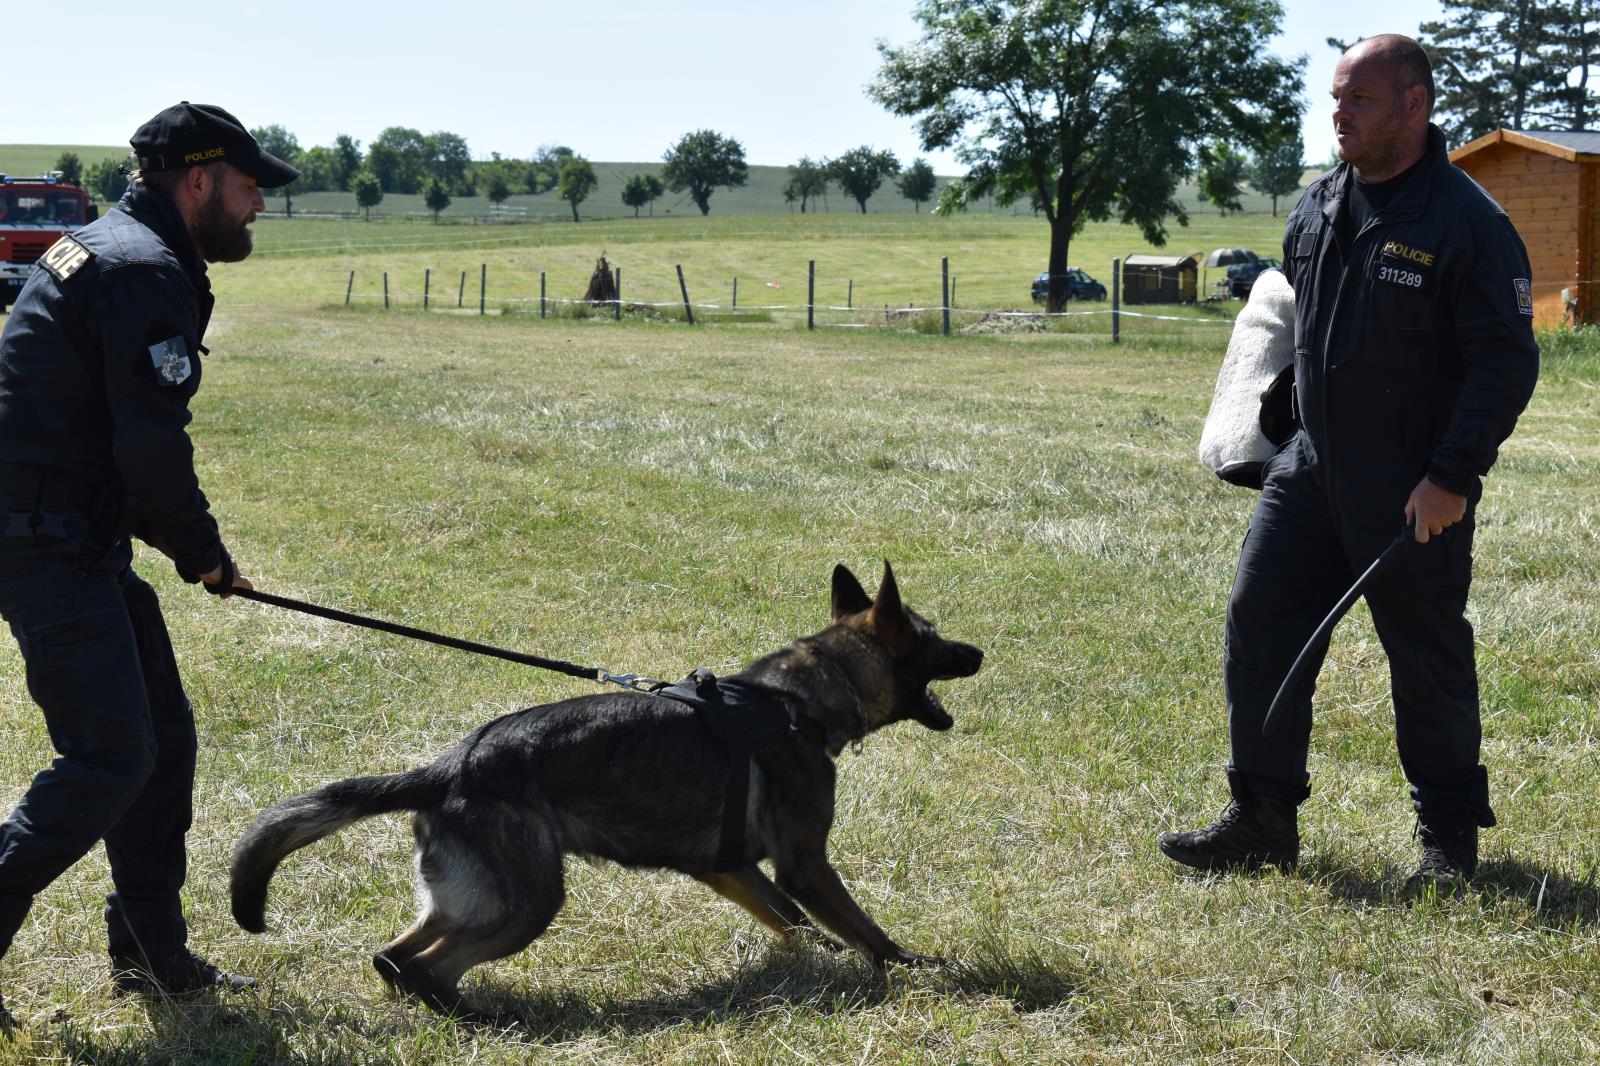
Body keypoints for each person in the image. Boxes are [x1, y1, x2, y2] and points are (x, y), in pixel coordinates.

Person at [1158, 36, 1540, 893]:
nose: (1340, 115)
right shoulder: (1321, 204)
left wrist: (1452, 476)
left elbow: (1505, 365)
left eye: (1359, 100)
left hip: (1414, 485)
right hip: (1313, 469)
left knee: (1426, 658)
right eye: (1336, 100)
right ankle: (1261, 818)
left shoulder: (1467, 222)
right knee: (1259, 628)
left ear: (1414, 105)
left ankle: (1448, 840)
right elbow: (1297, 322)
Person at [0, 102, 297, 1028]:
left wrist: (184, 548)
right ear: (198, 180)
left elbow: (95, 421)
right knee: (110, 754)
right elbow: (150, 448)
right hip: (41, 537)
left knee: (158, 741)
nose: (258, 206)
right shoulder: (142, 268)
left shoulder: (115, 246)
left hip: (69, 529)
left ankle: (153, 955)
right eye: (250, 187)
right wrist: (204, 553)